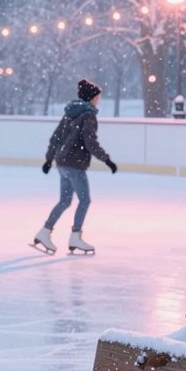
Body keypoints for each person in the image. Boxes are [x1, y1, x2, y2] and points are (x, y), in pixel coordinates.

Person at [32, 79, 118, 255]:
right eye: (97, 96)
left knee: (65, 201)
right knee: (84, 200)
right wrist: (107, 159)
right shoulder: (88, 115)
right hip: (75, 164)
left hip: (62, 163)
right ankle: (75, 237)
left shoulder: (70, 113)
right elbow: (90, 142)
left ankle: (44, 232)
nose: (99, 99)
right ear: (91, 97)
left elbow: (56, 137)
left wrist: (49, 159)